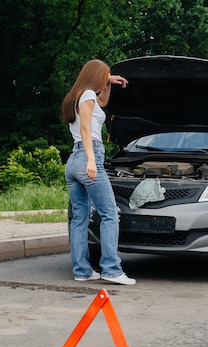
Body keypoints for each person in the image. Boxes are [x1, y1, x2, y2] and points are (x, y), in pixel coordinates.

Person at [61, 59, 135, 285]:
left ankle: (82, 271)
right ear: (95, 77)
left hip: (73, 161)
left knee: (80, 218)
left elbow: (104, 100)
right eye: (104, 76)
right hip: (87, 156)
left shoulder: (79, 95)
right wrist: (92, 161)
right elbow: (85, 128)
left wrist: (109, 81)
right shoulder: (87, 95)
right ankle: (111, 269)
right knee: (110, 213)